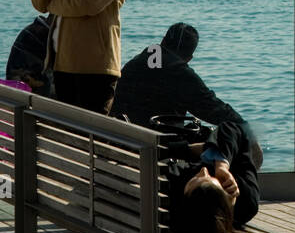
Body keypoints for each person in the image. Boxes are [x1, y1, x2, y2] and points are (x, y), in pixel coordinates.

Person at [112, 22, 261, 165]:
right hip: (158, 153)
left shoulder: (137, 62)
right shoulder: (177, 72)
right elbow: (211, 107)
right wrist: (246, 130)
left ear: (163, 41)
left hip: (122, 145)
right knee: (222, 138)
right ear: (189, 58)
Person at [165, 117, 260, 233]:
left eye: (195, 178)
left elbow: (161, 151)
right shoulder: (246, 200)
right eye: (210, 178)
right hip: (205, 153)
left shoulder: (173, 192)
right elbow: (231, 128)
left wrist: (190, 150)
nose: (203, 171)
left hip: (184, 153)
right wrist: (222, 165)